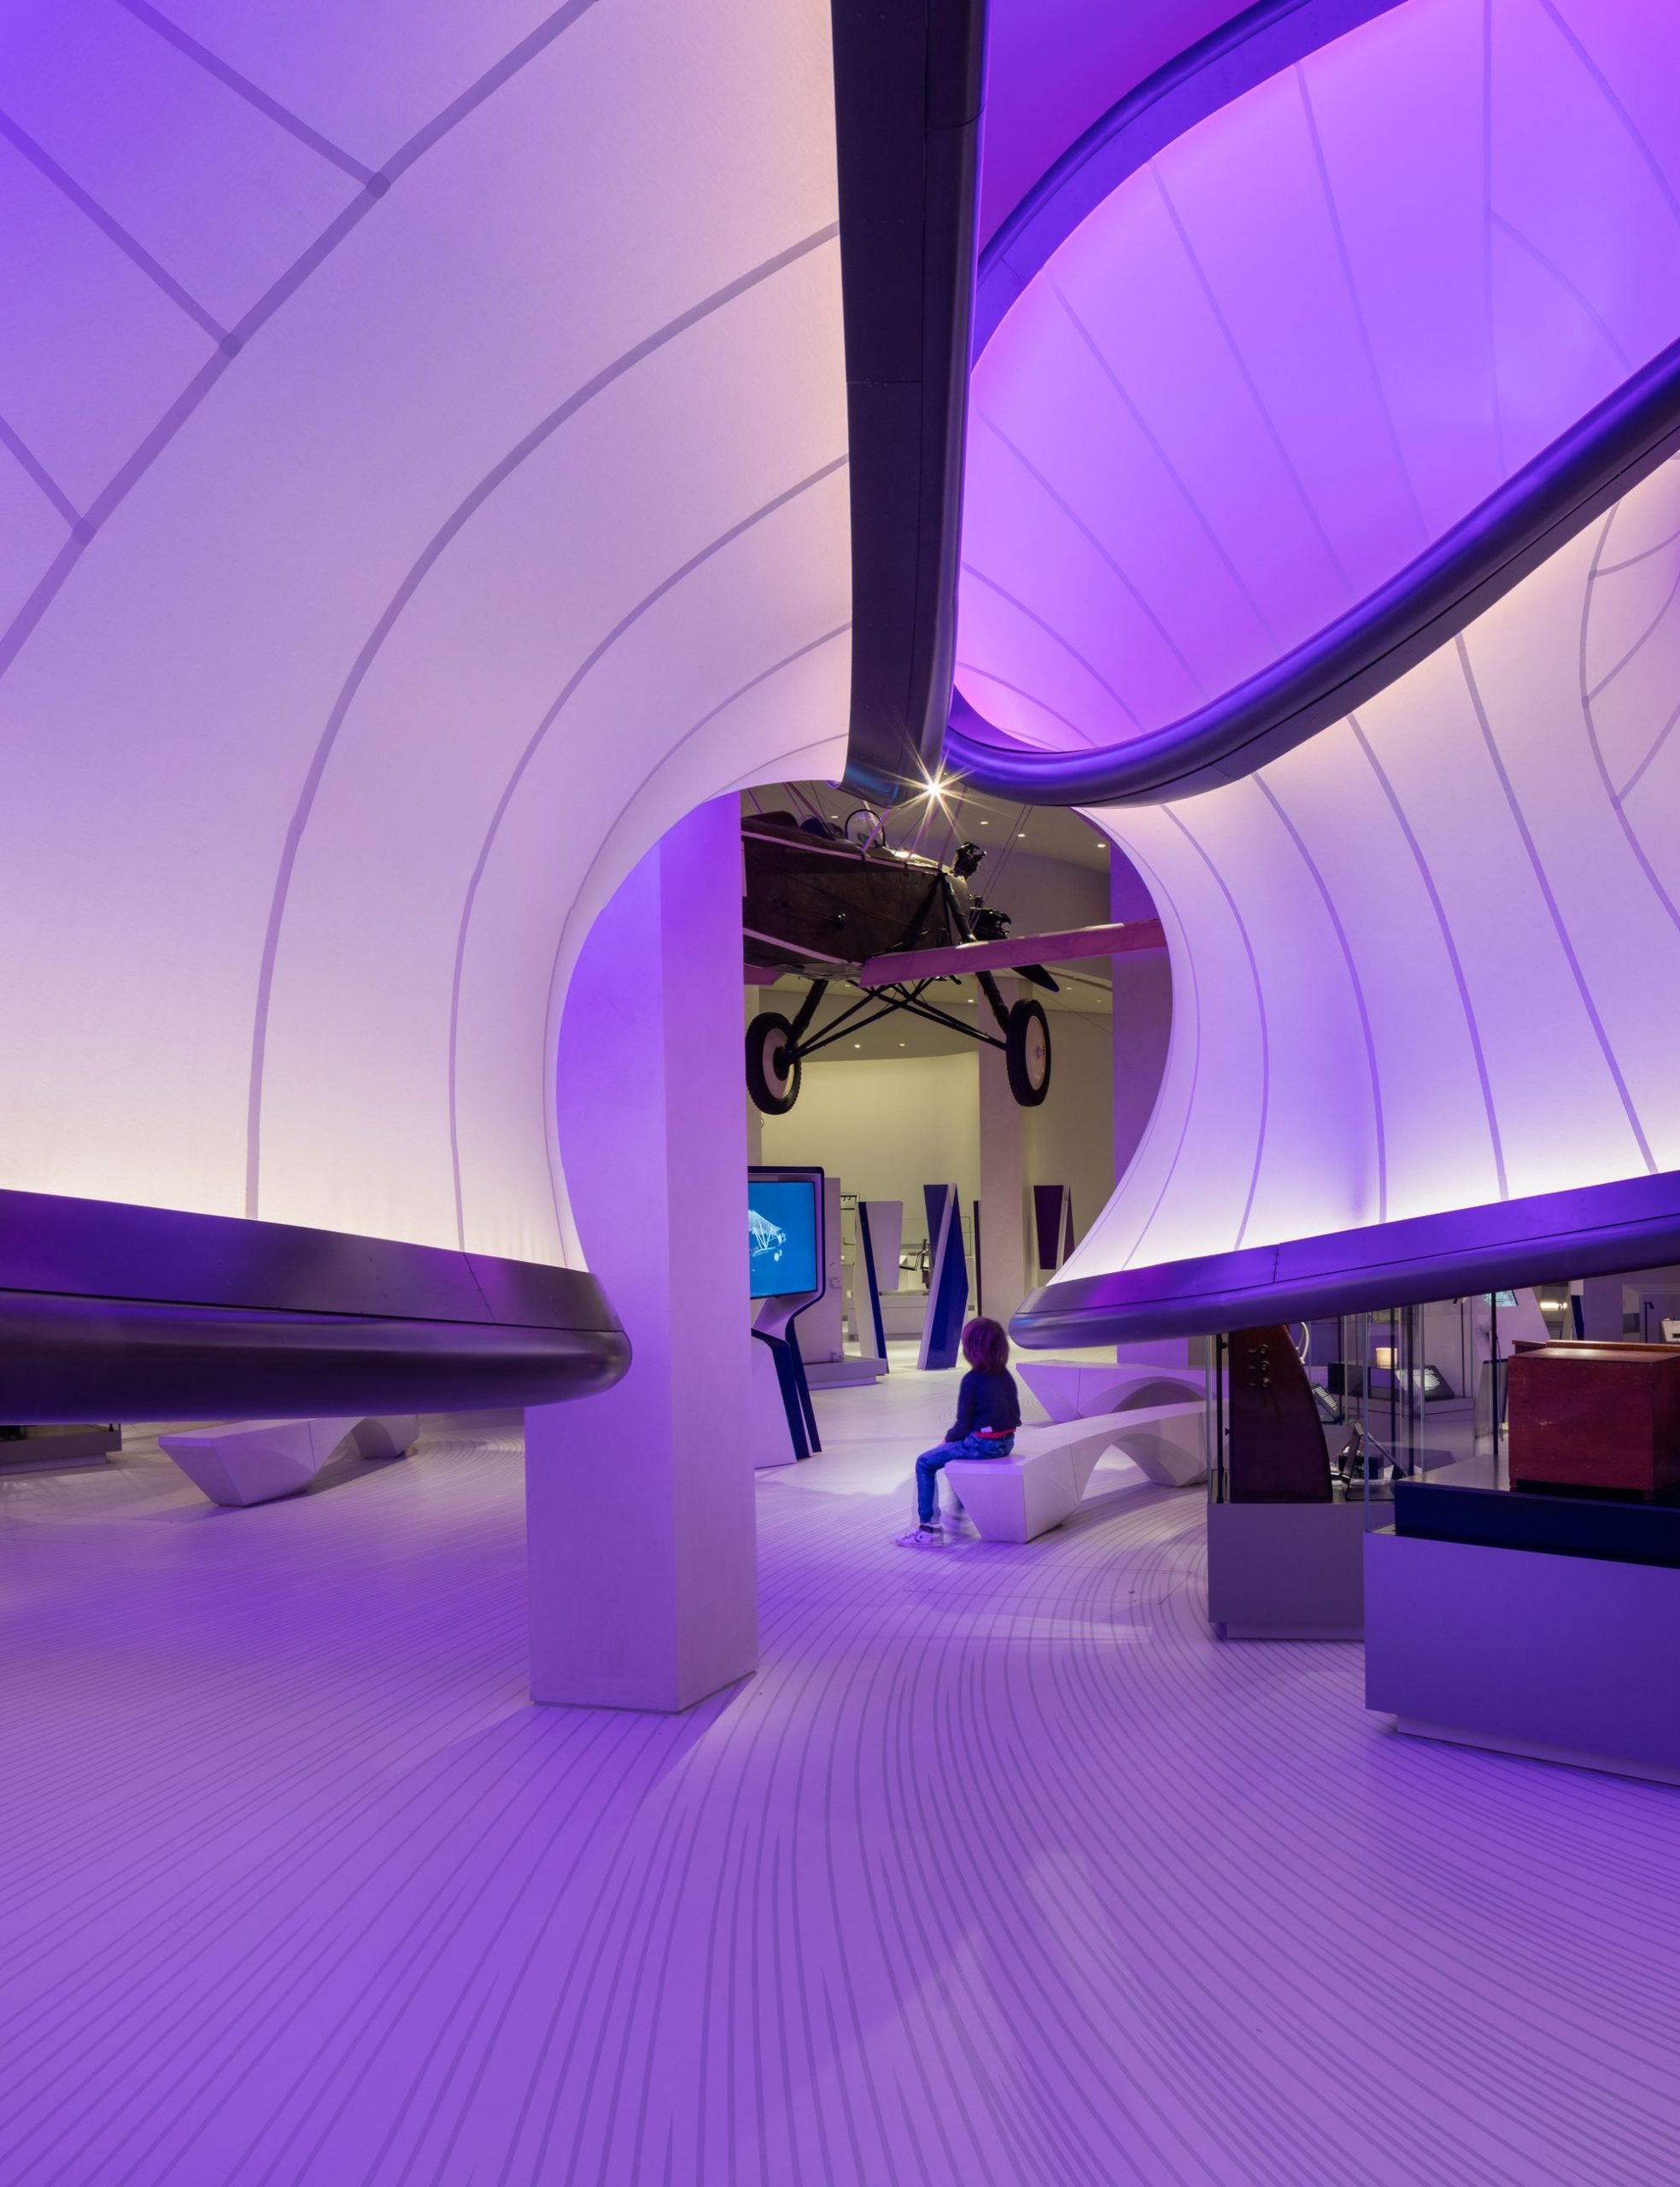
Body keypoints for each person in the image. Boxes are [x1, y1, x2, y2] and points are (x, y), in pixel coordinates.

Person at [897, 1316, 1021, 1547]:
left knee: (925, 1462)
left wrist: (946, 1440)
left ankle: (928, 1529)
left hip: (982, 1445)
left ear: (971, 1348)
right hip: (1006, 1442)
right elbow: (1014, 1414)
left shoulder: (972, 1380)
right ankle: (956, 1517)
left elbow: (962, 1426)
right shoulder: (1004, 1376)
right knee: (958, 1459)